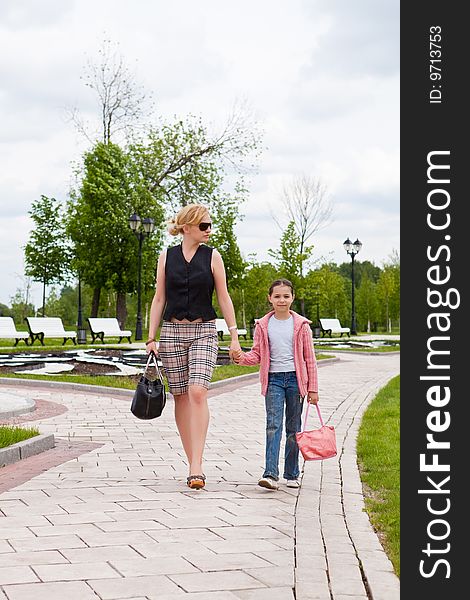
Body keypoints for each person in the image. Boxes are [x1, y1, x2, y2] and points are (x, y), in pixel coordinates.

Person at [146, 203, 242, 490]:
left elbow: (224, 298)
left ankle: (197, 463)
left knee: (197, 391)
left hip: (204, 330)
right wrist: (152, 338)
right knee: (181, 397)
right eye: (204, 226)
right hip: (173, 331)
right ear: (187, 227)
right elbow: (159, 298)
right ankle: (192, 464)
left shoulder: (213, 257)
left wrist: (234, 335)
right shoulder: (167, 256)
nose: (209, 230)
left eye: (210, 225)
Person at [233, 278, 319, 490]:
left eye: (286, 296)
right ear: (270, 298)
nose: (282, 300)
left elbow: (310, 359)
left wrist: (313, 388)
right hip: (274, 381)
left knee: (293, 428)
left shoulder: (301, 326)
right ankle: (270, 474)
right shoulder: (263, 325)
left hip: (295, 381)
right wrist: (241, 358)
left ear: (293, 298)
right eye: (277, 296)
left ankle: (292, 473)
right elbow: (258, 354)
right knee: (273, 426)